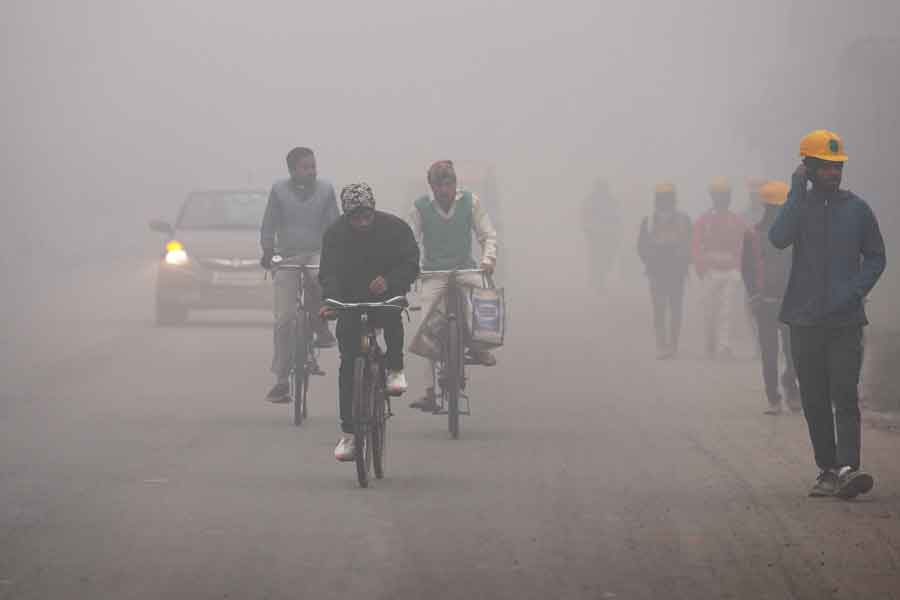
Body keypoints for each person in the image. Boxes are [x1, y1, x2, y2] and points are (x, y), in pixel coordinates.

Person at [770, 130, 886, 499]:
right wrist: (794, 192)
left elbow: (877, 257)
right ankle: (827, 469)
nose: (834, 173)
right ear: (808, 167)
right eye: (826, 167)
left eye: (838, 167)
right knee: (815, 397)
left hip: (845, 321)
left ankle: (850, 467)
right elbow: (778, 237)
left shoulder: (858, 209)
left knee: (844, 392)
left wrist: (854, 291)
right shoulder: (798, 208)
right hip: (804, 319)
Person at [318, 183, 420, 461]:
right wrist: (330, 301)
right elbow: (328, 272)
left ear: (374, 211)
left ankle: (395, 369)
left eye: (367, 216)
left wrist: (390, 281)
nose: (362, 222)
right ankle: (349, 434)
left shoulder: (395, 228)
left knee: (392, 316)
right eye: (356, 218)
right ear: (346, 216)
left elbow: (411, 263)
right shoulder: (335, 234)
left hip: (385, 296)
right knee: (348, 363)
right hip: (349, 301)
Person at [407, 160, 499, 412]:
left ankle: (481, 347)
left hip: (464, 269)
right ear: (432, 186)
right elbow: (411, 241)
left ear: (455, 184)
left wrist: (488, 259)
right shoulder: (420, 208)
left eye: (448, 184)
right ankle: (428, 392)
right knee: (426, 326)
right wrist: (412, 265)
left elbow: (487, 234)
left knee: (483, 300)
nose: (444, 190)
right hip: (433, 273)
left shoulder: (471, 202)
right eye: (439, 185)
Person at [260, 147, 339, 403]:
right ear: (292, 170)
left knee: (320, 281)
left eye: (314, 166)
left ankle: (321, 326)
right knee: (284, 319)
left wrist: (336, 250)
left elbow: (334, 225)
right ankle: (282, 380)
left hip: (317, 253)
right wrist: (268, 250)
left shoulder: (326, 190)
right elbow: (269, 224)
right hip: (288, 256)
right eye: (306, 167)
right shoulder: (279, 191)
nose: (312, 171)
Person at [741, 180, 798, 414]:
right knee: (769, 352)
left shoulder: (797, 234)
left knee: (793, 352)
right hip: (764, 302)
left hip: (792, 301)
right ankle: (773, 397)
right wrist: (753, 296)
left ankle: (790, 387)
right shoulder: (752, 235)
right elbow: (747, 268)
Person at [692, 177, 749, 359]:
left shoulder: (736, 220)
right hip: (710, 272)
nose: (723, 199)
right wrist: (702, 269)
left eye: (725, 195)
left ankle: (724, 347)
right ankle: (711, 341)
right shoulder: (704, 220)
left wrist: (739, 268)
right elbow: (696, 246)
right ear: (713, 197)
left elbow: (744, 245)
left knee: (727, 311)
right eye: (719, 195)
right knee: (710, 310)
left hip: (731, 272)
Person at [637, 183, 693, 359]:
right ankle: (662, 345)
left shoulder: (684, 220)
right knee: (660, 309)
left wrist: (684, 262)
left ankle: (673, 345)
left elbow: (690, 244)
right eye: (662, 198)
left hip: (676, 272)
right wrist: (650, 263)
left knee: (675, 310)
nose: (665, 202)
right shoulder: (649, 220)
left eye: (667, 198)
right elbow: (642, 246)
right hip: (657, 272)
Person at [582, 179, 623, 293]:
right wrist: (587, 230)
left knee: (607, 258)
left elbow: (616, 215)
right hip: (596, 235)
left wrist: (617, 230)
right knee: (598, 258)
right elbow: (585, 217)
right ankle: (598, 281)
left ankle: (598, 279)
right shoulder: (590, 201)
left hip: (609, 235)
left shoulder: (610, 200)